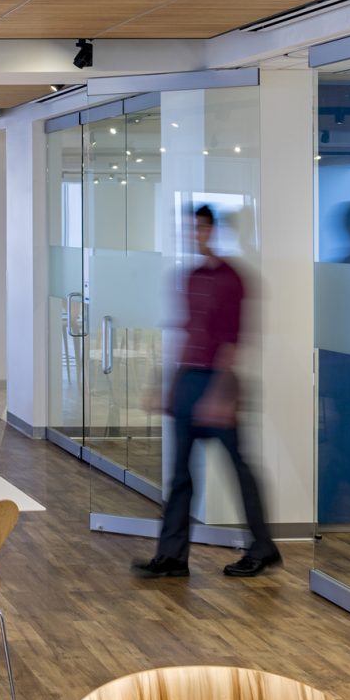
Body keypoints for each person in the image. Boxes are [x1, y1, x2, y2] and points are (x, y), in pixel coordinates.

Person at [133, 205, 280, 579]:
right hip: (189, 381)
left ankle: (262, 548)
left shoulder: (233, 278)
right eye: (187, 228)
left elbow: (233, 340)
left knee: (239, 469)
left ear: (212, 230)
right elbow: (187, 335)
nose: (192, 234)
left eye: (199, 227)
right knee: (180, 474)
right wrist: (164, 386)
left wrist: (219, 396)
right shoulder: (191, 277)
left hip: (220, 382)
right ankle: (171, 557)